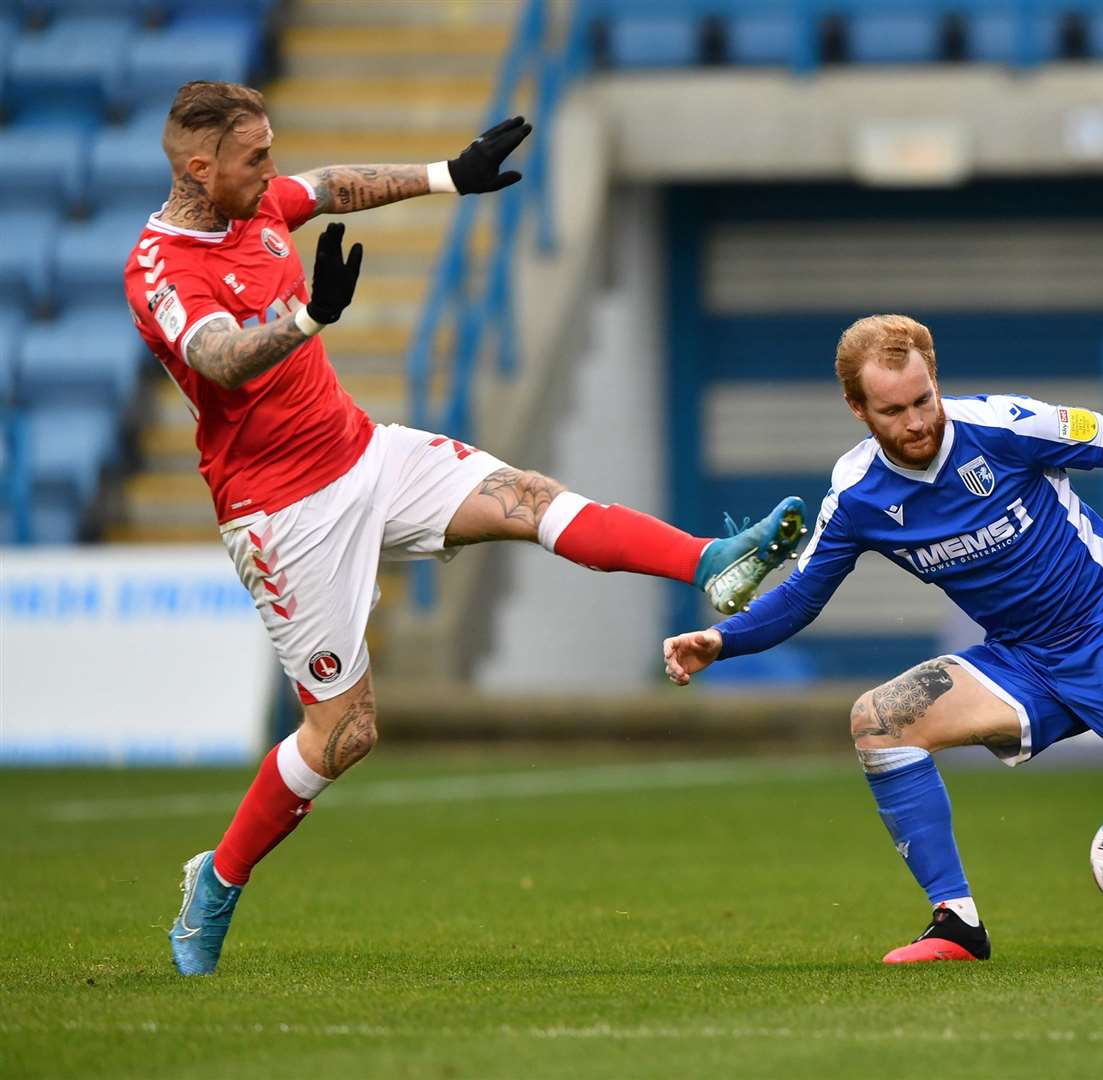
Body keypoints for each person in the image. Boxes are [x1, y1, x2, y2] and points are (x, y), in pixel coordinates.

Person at [124, 81, 806, 976]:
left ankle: (710, 561)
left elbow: (331, 186)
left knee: (523, 496)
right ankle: (217, 879)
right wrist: (306, 318)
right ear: (197, 168)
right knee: (345, 733)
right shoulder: (159, 267)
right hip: (282, 514)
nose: (272, 169)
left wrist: (451, 174)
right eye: (255, 158)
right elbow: (215, 357)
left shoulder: (258, 202)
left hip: (362, 450)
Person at [662, 314, 1103, 968]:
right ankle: (957, 924)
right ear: (858, 409)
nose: (917, 420)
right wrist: (719, 642)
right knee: (879, 723)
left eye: (924, 399)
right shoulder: (856, 495)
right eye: (893, 409)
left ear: (935, 380)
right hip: (1020, 660)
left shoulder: (1006, 427)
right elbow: (801, 597)